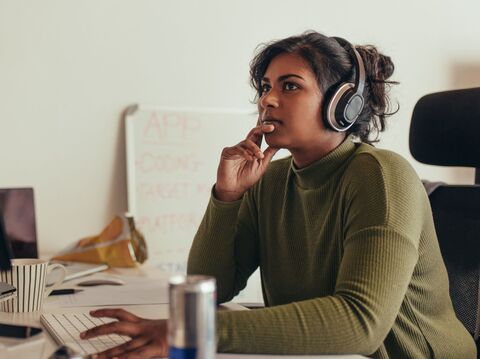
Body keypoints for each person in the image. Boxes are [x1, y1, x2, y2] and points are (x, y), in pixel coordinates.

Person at [80, 31, 476, 359]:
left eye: (290, 86)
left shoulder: (381, 176)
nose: (267, 100)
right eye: (266, 87)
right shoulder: (271, 179)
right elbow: (212, 287)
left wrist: (196, 331)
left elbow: (361, 324)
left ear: (342, 105)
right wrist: (227, 197)